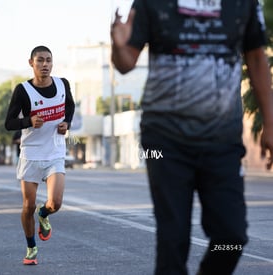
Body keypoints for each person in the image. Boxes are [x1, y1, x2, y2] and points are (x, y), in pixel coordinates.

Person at [111, 1, 273, 275]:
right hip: (164, 140)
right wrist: (116, 44)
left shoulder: (244, 3)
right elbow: (126, 63)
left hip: (222, 141)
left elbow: (256, 58)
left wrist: (270, 123)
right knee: (173, 242)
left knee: (231, 238)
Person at [5, 45, 75, 265]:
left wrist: (67, 123)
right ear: (31, 63)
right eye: (40, 61)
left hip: (54, 152)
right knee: (28, 205)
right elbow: (9, 123)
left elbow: (70, 106)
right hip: (31, 155)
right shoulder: (23, 90)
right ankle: (31, 247)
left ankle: (44, 215)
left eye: (48, 60)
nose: (45, 65)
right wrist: (28, 121)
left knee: (55, 202)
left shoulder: (63, 84)